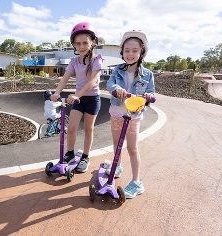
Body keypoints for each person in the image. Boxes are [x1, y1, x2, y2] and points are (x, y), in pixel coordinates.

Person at [106, 30, 155, 199]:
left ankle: (136, 182)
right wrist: (115, 89)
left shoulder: (147, 74)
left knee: (132, 148)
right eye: (127, 50)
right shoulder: (117, 70)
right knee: (116, 143)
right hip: (117, 113)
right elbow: (110, 83)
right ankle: (117, 166)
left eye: (135, 50)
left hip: (133, 116)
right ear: (122, 52)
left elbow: (150, 93)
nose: (130, 54)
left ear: (141, 53)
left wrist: (148, 97)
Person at [50, 22, 103, 172]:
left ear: (92, 43)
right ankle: (70, 153)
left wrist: (76, 95)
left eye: (85, 43)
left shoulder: (96, 59)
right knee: (72, 128)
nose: (81, 46)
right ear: (73, 45)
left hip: (92, 99)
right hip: (78, 99)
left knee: (88, 129)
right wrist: (56, 93)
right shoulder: (74, 61)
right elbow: (65, 78)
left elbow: (93, 82)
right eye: (78, 43)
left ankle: (85, 156)